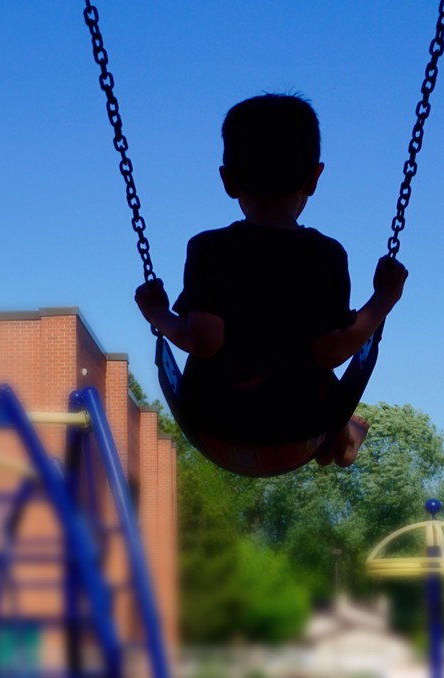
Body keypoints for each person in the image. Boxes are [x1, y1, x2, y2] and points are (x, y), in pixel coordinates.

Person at [134, 93, 408, 467]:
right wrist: (385, 298)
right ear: (314, 178)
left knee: (274, 353)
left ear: (228, 180)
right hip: (301, 427)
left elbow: (203, 341)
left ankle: (338, 438)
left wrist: (158, 314)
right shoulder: (325, 254)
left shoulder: (209, 249)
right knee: (304, 356)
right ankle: (340, 440)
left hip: (217, 426)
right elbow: (334, 349)